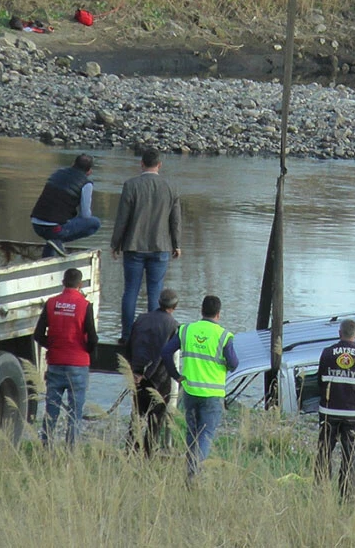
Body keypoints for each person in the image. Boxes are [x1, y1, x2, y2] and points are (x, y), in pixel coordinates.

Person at [159, 295, 238, 481]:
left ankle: (190, 468)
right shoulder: (224, 336)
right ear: (218, 314)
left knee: (192, 431)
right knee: (206, 434)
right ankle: (193, 472)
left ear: (201, 311)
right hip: (212, 393)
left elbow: (166, 352)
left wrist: (175, 375)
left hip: (191, 391)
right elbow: (234, 363)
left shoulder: (187, 330)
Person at [111, 149, 183, 342]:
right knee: (155, 293)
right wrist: (176, 244)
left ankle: (126, 336)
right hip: (161, 247)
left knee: (131, 291)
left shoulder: (131, 185)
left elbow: (122, 219)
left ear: (141, 164)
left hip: (133, 246)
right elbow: (175, 221)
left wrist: (115, 243)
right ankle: (154, 337)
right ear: (159, 165)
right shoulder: (171, 187)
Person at [33, 268, 98, 447]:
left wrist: (53, 346)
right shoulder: (85, 305)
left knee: (51, 410)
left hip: (55, 362)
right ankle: (71, 452)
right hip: (78, 363)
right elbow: (93, 337)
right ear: (80, 284)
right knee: (75, 412)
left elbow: (38, 335)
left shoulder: (51, 303)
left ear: (63, 283)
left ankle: (46, 447)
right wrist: (87, 351)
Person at [315, 318, 355, 498]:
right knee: (349, 457)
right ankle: (346, 496)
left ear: (339, 333)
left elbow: (320, 381)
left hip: (329, 411)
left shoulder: (327, 353)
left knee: (324, 451)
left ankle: (320, 491)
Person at [125, 288, 179, 457]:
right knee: (155, 423)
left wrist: (134, 373)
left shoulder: (141, 319)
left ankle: (129, 453)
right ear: (175, 306)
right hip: (159, 382)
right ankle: (148, 457)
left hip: (137, 378)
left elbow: (129, 346)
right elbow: (164, 354)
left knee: (136, 419)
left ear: (159, 302)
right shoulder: (173, 326)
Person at [30, 154, 101, 257]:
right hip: (54, 228)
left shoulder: (57, 173)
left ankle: (53, 246)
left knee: (56, 234)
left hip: (36, 223)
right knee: (95, 223)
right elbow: (85, 215)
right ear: (89, 171)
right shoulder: (86, 184)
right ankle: (58, 240)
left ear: (73, 164)